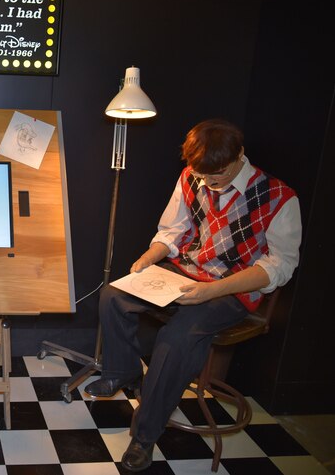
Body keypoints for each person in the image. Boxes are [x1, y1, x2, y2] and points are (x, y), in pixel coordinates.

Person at [84, 118, 302, 472]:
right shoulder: (190, 176)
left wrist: (210, 291)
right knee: (113, 295)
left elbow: (280, 266)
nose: (210, 182)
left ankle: (144, 437)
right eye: (203, 175)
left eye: (218, 174)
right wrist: (148, 257)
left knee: (177, 337)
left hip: (232, 288)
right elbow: (174, 229)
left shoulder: (279, 197)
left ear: (239, 156)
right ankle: (124, 371)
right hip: (186, 271)